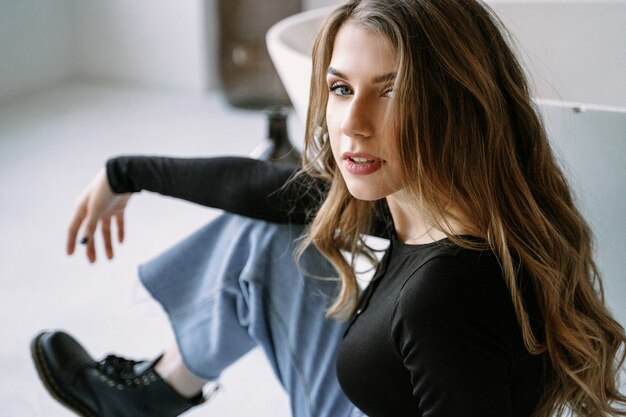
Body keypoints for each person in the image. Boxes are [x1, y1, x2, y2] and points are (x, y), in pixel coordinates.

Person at [31, 0, 626, 416]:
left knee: (281, 232)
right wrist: (125, 173)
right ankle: (159, 390)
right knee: (275, 231)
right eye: (342, 88)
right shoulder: (444, 201)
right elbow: (261, 187)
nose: (352, 126)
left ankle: (154, 394)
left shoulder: (442, 298)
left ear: (457, 105)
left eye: (393, 91)